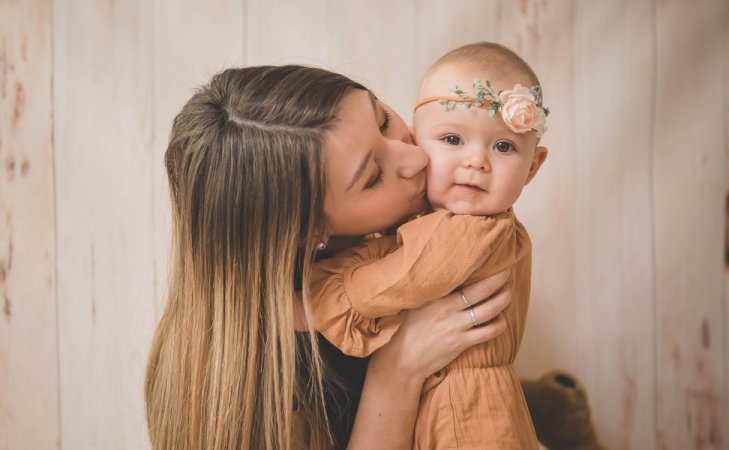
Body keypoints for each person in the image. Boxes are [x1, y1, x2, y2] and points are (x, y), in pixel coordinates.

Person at [143, 64, 512, 450]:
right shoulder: (261, 381)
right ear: (307, 233)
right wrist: (399, 369)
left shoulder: (429, 228)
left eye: (383, 119)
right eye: (373, 177)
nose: (415, 158)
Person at [309, 42, 548, 448]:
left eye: (503, 146)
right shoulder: (433, 225)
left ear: (533, 167)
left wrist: (309, 302)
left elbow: (397, 275)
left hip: (469, 420)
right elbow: (391, 254)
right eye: (453, 139)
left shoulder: (474, 231)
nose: (476, 162)